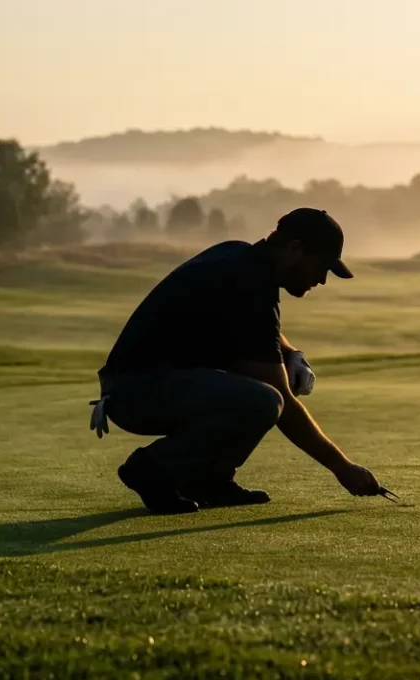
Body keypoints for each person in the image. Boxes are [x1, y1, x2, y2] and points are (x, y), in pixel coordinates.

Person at [88, 207, 385, 514]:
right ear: (295, 250)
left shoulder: (240, 258)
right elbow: (281, 398)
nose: (322, 280)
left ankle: (207, 481)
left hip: (138, 386)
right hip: (137, 392)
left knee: (259, 397)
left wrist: (291, 354)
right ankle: (151, 468)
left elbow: (265, 331)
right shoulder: (250, 283)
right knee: (265, 400)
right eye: (321, 267)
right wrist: (342, 467)